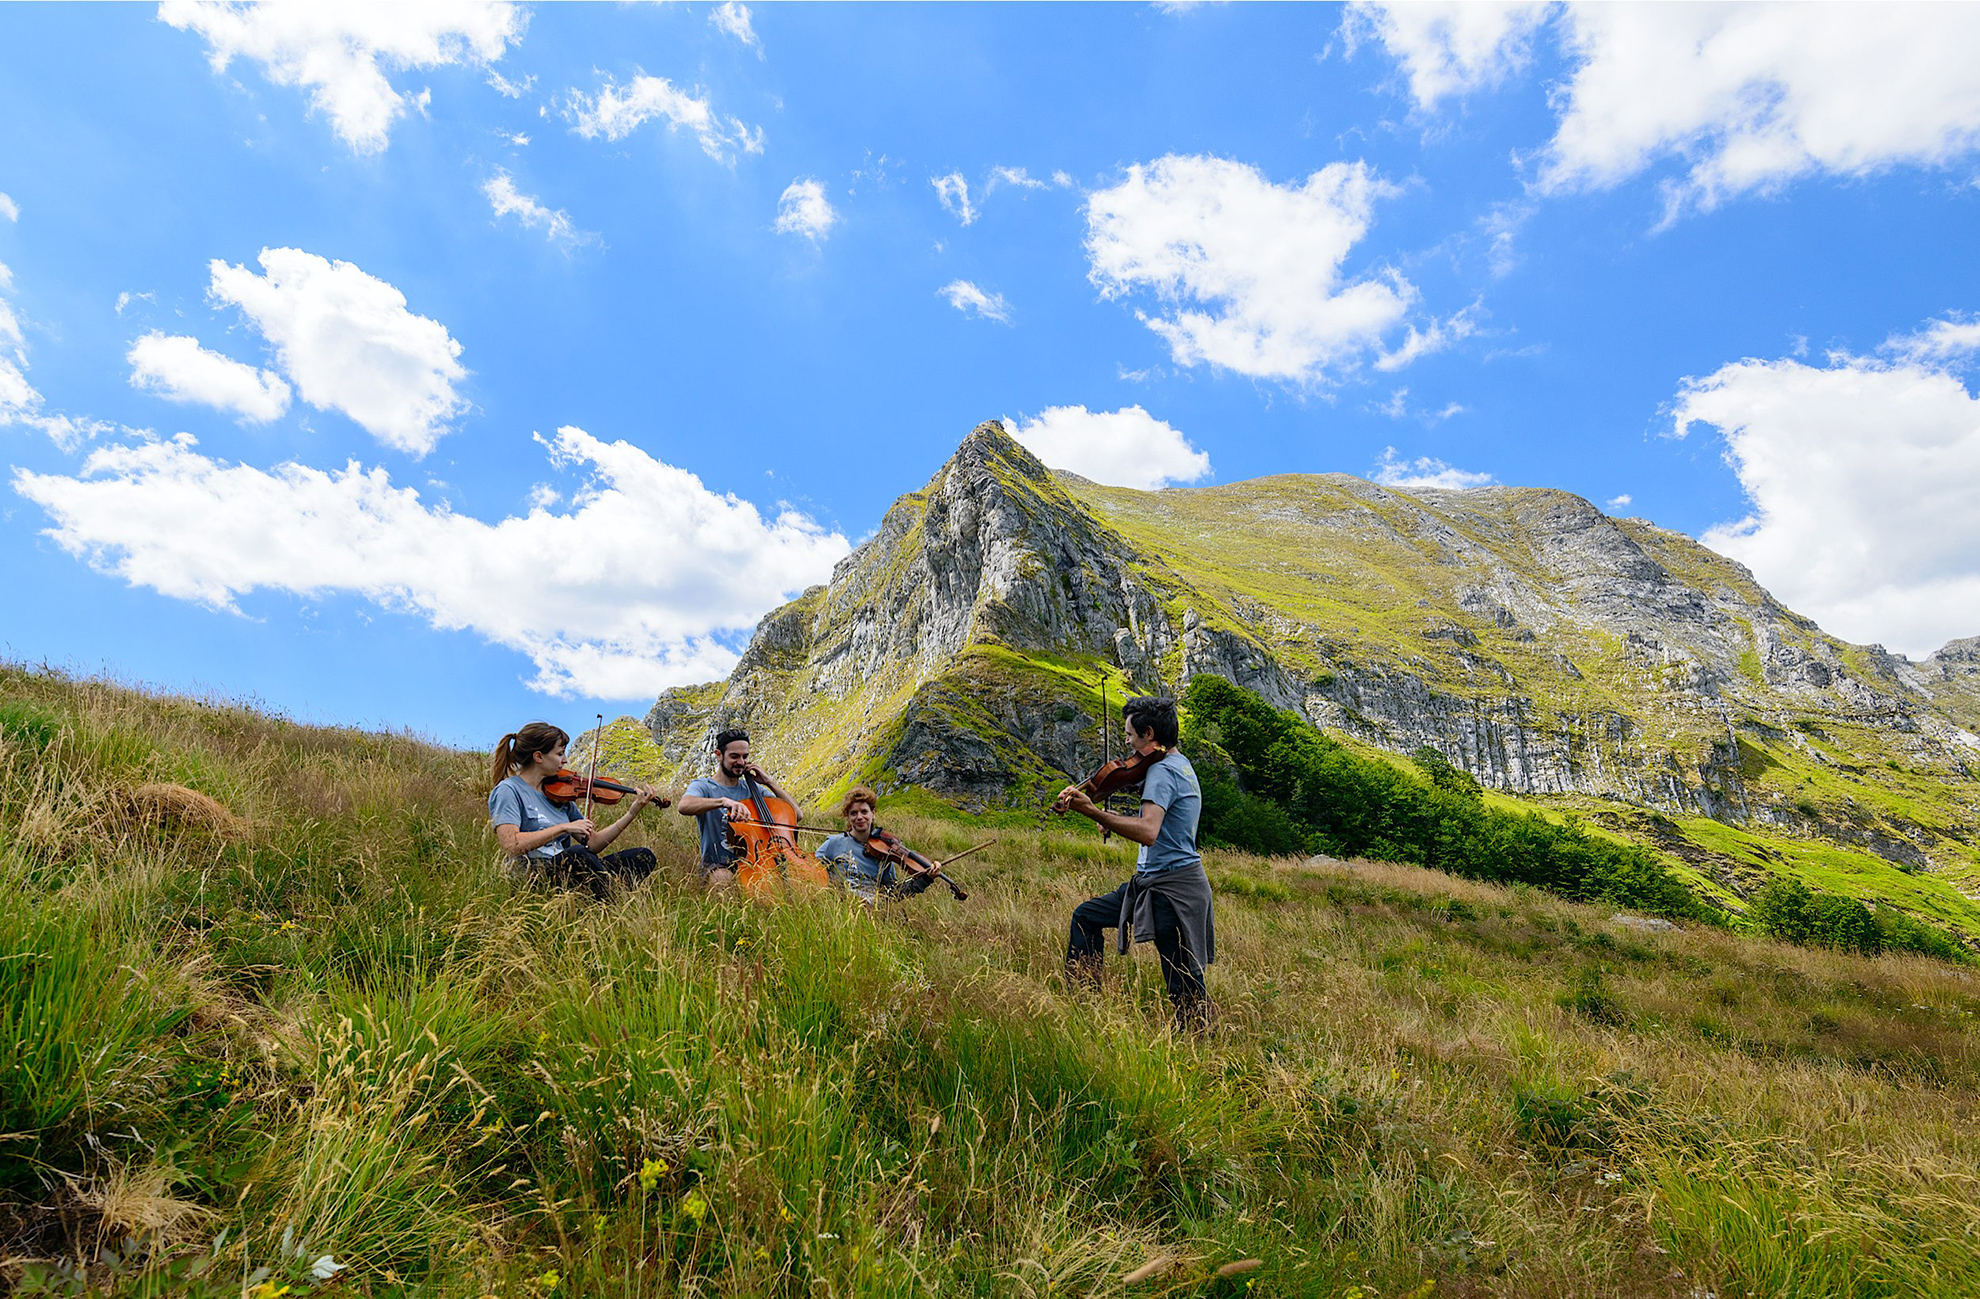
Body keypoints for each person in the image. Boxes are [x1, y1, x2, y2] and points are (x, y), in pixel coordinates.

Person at [1055, 695, 1215, 1032]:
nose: (1126, 744)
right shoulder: (1178, 763)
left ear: (1148, 733)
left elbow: (1149, 831)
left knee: (1183, 981)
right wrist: (1110, 819)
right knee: (1087, 916)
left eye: (1129, 735)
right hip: (1162, 882)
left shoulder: (1161, 773)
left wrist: (1094, 811)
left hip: (1173, 889)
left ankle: (1202, 1045)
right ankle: (1084, 1000)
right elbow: (1158, 823)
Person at [488, 721, 661, 899]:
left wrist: (632, 812)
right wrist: (563, 828)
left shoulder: (559, 794)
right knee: (578, 854)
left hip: (569, 868)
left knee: (642, 856)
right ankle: (612, 900)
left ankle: (599, 899)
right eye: (560, 754)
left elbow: (593, 844)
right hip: (535, 874)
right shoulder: (508, 790)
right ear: (538, 757)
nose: (565, 760)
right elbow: (511, 844)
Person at [675, 727, 804, 887]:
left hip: (757, 862)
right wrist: (723, 801)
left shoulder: (753, 790)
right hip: (718, 865)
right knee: (722, 879)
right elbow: (684, 806)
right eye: (734, 756)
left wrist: (770, 783)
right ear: (718, 755)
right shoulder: (704, 786)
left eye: (745, 756)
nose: (741, 762)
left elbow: (796, 814)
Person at [815, 786, 938, 905]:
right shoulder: (834, 843)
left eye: (864, 812)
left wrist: (926, 879)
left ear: (873, 814)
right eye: (853, 813)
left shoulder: (884, 852)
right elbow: (810, 871)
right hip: (839, 908)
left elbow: (893, 895)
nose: (859, 817)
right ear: (848, 817)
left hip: (870, 915)